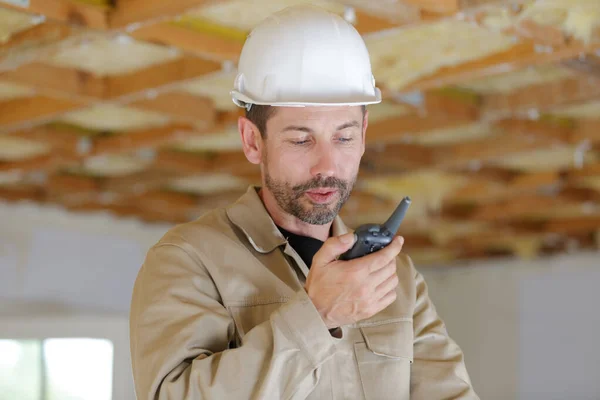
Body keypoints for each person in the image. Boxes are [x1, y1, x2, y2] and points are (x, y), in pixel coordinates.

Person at [129, 5, 478, 400]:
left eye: (343, 138)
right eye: (300, 139)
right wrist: (316, 317)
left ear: (363, 133)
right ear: (251, 140)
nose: (327, 165)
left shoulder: (393, 276)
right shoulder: (189, 260)